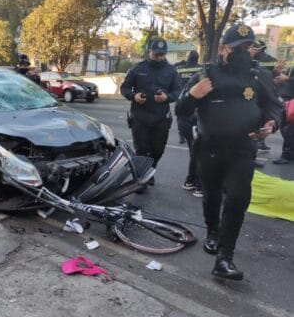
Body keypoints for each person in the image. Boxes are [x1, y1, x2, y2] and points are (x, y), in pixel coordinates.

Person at [176, 24, 283, 280]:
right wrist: (192, 95)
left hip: (243, 149)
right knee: (212, 196)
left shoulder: (259, 76)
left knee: (237, 198)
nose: (244, 53)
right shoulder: (206, 74)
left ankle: (225, 258)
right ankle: (213, 232)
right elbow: (181, 110)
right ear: (223, 48)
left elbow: (273, 107)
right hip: (209, 148)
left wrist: (271, 124)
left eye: (248, 48)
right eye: (238, 48)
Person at [121, 37, 181, 185]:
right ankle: (141, 179)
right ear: (150, 52)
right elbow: (125, 88)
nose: (160, 58)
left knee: (158, 150)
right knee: (142, 149)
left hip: (161, 118)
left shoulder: (171, 70)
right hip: (140, 117)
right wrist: (134, 96)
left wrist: (167, 97)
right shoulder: (138, 68)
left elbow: (177, 91)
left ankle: (149, 170)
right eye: (157, 54)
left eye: (162, 54)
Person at [176, 50, 203, 197]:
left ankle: (190, 180)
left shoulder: (180, 68)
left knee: (194, 152)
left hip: (183, 112)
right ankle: (199, 185)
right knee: (200, 153)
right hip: (194, 117)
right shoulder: (201, 72)